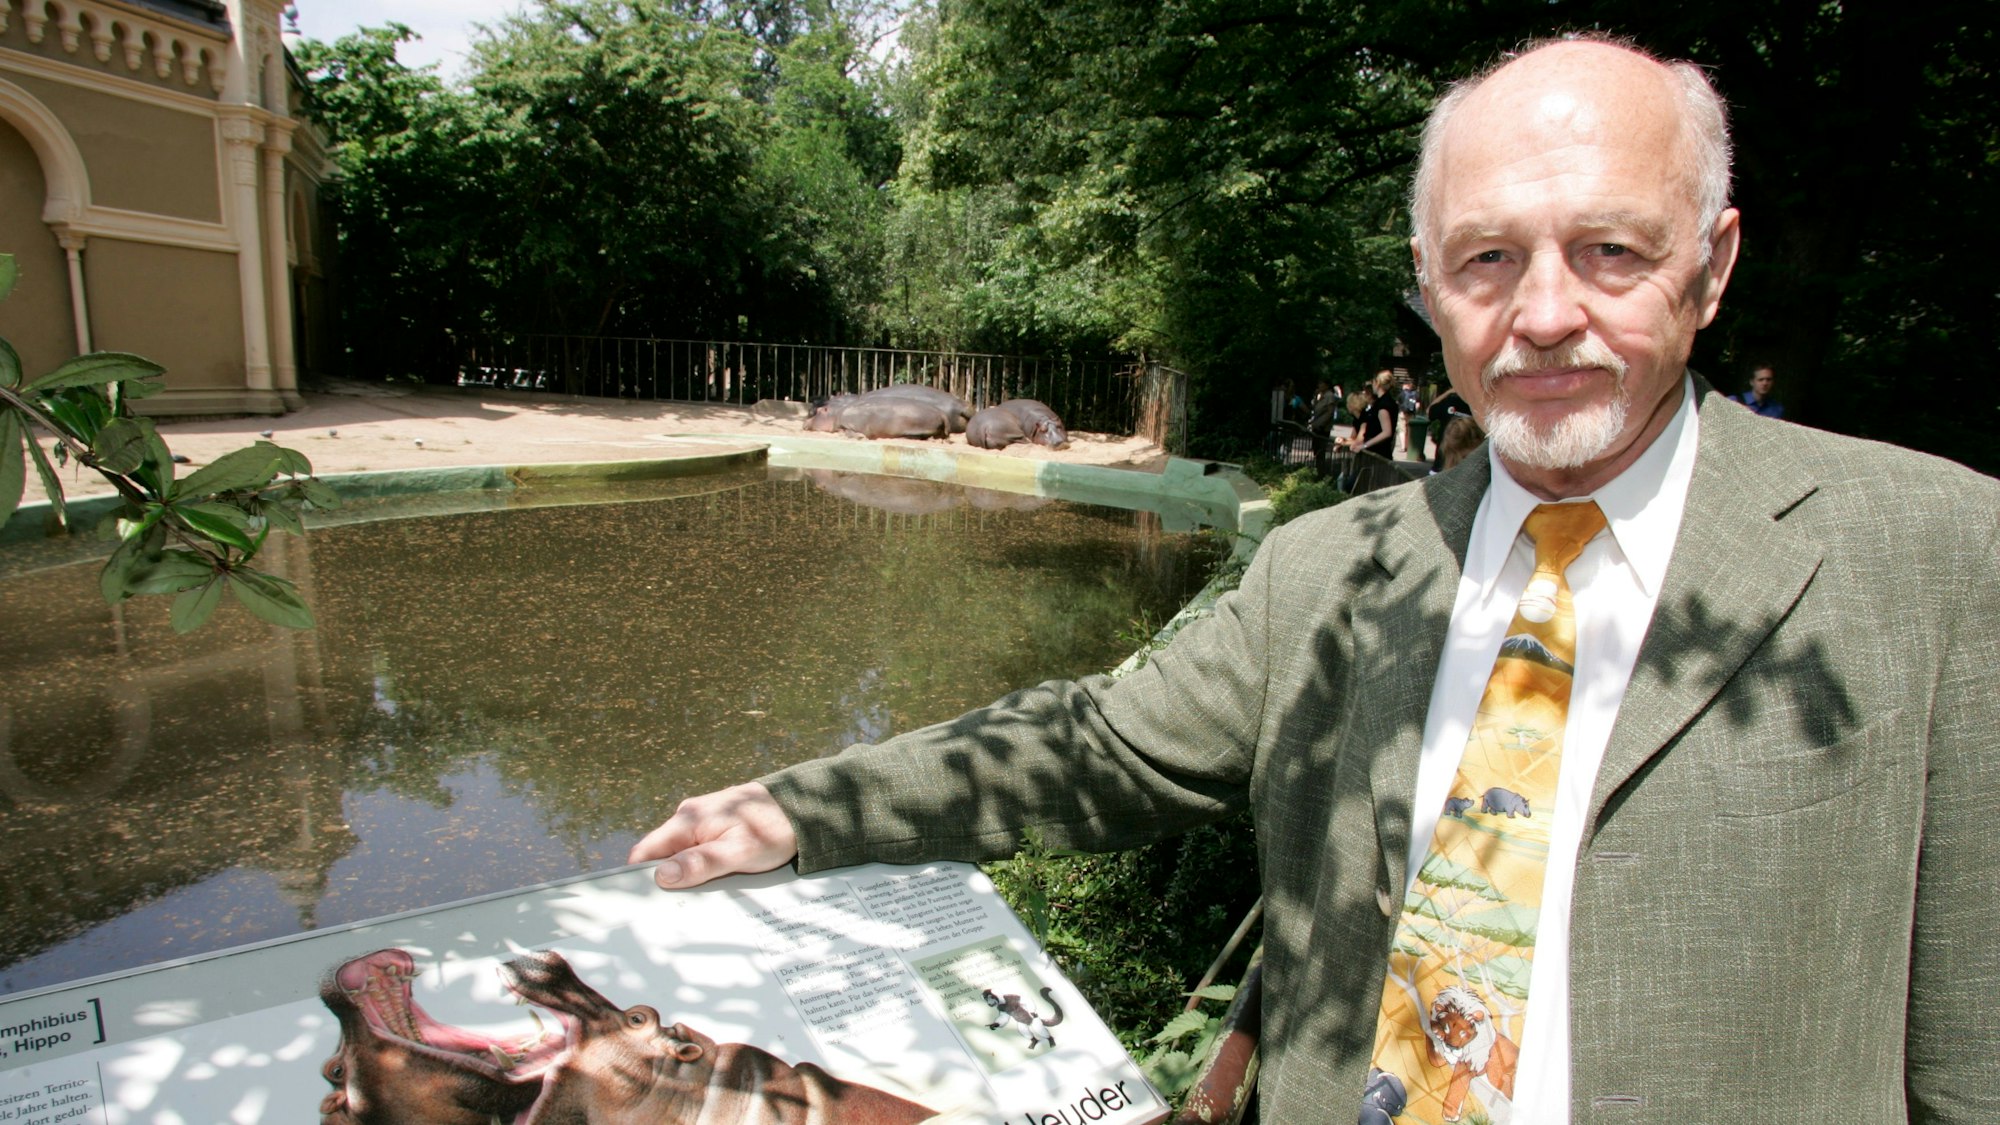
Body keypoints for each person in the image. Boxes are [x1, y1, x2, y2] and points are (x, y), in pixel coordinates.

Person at [632, 35, 1998, 1124]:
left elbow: (1974, 1052)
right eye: (1487, 260)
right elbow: (1100, 745)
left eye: (1610, 250)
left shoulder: (1939, 554)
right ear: (1429, 283)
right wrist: (801, 806)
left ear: (1712, 266)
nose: (1542, 313)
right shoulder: (1334, 566)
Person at [1426, 383, 1471, 471]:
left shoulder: (1449, 401)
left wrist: (1448, 392)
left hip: (1442, 462)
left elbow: (1429, 410)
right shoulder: (1476, 406)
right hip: (1467, 465)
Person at [1308, 379, 1340, 474]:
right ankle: (1318, 470)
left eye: (1321, 383)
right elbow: (1315, 409)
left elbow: (1330, 412)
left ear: (1326, 385)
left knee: (1321, 450)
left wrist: (1322, 424)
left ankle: (1322, 472)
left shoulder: (1329, 396)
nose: (1319, 385)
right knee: (1316, 449)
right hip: (1316, 425)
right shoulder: (1320, 396)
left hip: (1323, 428)